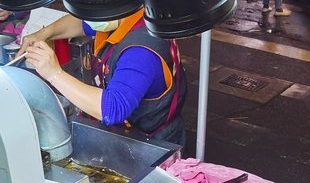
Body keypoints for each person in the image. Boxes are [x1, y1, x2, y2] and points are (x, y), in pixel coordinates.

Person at [18, 8, 188, 146]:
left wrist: (54, 73)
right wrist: (45, 33)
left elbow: (112, 108)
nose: (88, 15)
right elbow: (82, 23)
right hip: (127, 134)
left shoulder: (141, 50)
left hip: (154, 143)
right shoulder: (119, 15)